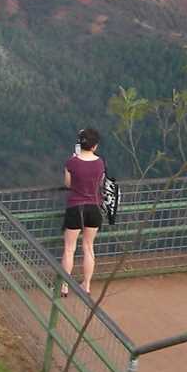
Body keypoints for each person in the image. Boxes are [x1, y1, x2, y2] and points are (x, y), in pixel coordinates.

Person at [61, 127, 106, 298]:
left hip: (76, 207)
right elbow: (100, 182)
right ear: (95, 146)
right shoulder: (100, 163)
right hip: (94, 207)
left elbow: (68, 184)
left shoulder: (72, 163)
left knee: (69, 249)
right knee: (88, 247)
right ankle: (86, 285)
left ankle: (64, 285)